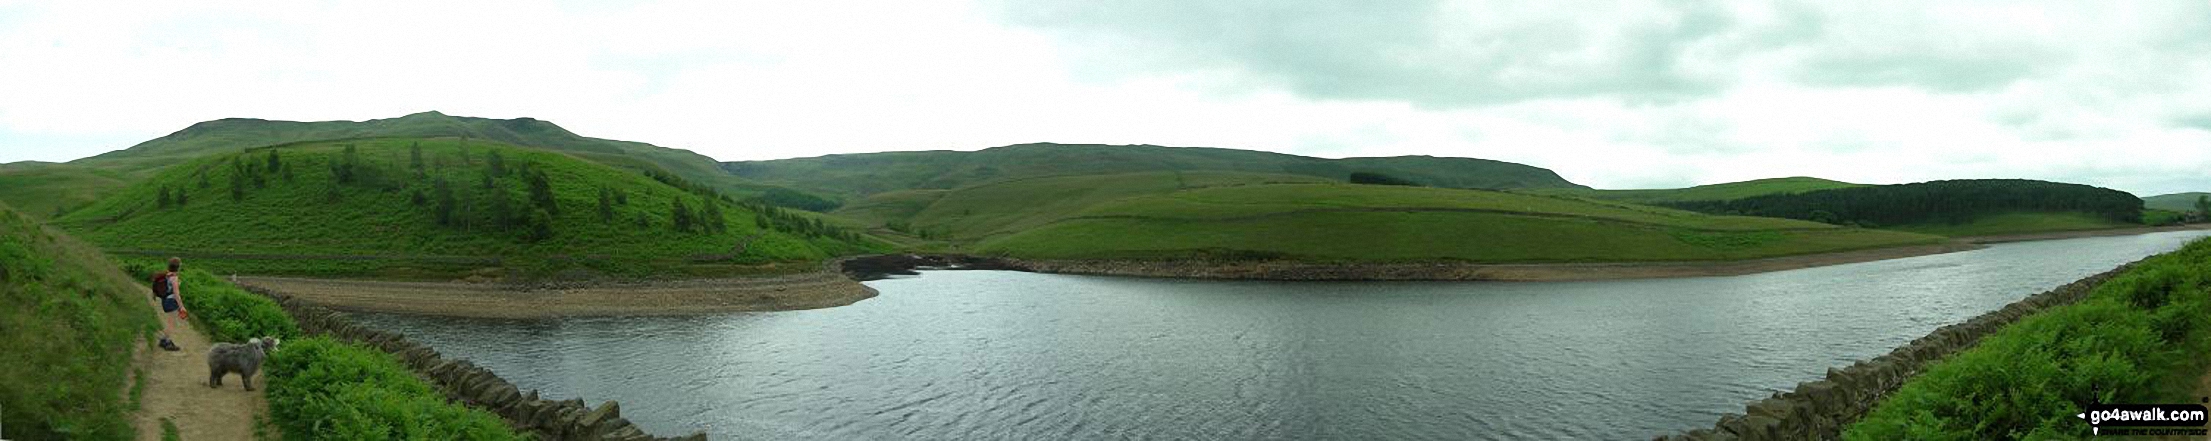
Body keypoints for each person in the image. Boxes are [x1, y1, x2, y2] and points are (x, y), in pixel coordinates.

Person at [153, 257, 187, 351]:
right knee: (171, 324)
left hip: (165, 300)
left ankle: (164, 340)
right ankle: (166, 342)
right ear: (178, 267)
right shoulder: (174, 278)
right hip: (171, 301)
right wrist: (182, 307)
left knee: (170, 323)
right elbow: (176, 294)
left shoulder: (167, 275)